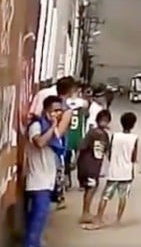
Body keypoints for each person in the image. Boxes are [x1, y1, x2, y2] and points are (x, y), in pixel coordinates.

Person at [25, 96, 73, 247]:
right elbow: (39, 142)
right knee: (37, 220)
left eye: (60, 111)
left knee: (38, 221)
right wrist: (52, 126)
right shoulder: (37, 126)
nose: (58, 114)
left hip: (48, 181)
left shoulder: (54, 130)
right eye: (55, 110)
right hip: (38, 182)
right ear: (46, 110)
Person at [87, 111, 138, 230]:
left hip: (114, 171)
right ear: (133, 125)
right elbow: (134, 157)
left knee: (105, 196)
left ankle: (99, 218)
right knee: (123, 197)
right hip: (126, 172)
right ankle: (118, 220)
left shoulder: (115, 136)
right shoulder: (134, 138)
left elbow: (109, 152)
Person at [77, 109, 112, 224]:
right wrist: (75, 161)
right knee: (91, 188)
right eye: (102, 120)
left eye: (106, 121)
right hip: (89, 165)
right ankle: (85, 213)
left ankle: (85, 212)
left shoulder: (101, 135)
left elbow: (107, 152)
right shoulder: (93, 133)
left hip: (94, 166)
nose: (104, 123)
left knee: (91, 188)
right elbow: (82, 147)